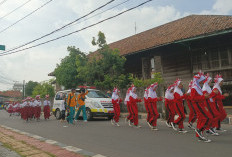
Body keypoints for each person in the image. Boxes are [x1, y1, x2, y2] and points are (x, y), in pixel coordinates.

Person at [191, 72, 212, 142]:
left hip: (201, 104)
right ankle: (199, 130)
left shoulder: (197, 87)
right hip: (198, 105)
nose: (203, 82)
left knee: (201, 119)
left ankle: (199, 135)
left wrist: (205, 97)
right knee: (207, 118)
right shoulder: (194, 88)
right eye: (202, 81)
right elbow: (193, 98)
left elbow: (201, 97)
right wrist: (204, 96)